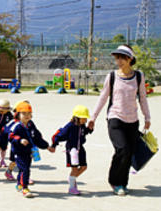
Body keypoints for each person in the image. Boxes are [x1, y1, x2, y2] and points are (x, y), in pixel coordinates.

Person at [88, 44, 151, 196]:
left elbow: (142, 98)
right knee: (122, 149)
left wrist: (147, 117)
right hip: (115, 118)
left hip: (132, 120)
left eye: (123, 57)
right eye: (117, 58)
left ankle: (123, 183)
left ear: (130, 59)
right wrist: (93, 117)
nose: (119, 61)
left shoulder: (138, 76)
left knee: (129, 153)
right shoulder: (112, 76)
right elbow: (103, 97)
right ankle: (115, 181)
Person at [9, 102, 52, 198]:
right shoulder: (16, 126)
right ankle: (25, 188)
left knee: (23, 169)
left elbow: (37, 137)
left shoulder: (31, 124)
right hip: (19, 152)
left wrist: (47, 146)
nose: (27, 116)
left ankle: (19, 184)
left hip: (29, 151)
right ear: (18, 115)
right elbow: (11, 137)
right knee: (25, 169)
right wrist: (20, 140)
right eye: (24, 113)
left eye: (29, 113)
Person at [51, 105, 93, 195]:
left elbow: (83, 133)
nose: (86, 120)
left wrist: (89, 129)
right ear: (77, 117)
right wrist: (54, 145)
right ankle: (71, 187)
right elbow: (59, 135)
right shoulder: (70, 126)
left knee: (84, 167)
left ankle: (71, 179)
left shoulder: (82, 125)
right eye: (84, 118)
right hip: (72, 150)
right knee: (74, 169)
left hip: (80, 148)